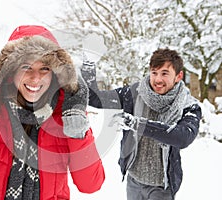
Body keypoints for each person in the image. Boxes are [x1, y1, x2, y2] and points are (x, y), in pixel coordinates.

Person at [0, 25, 105, 200]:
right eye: (26, 67)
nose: (35, 78)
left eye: (44, 68)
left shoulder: (67, 114)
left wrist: (78, 133)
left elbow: (90, 185)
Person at [81, 48, 202, 200]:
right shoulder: (134, 93)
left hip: (162, 187)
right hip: (134, 181)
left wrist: (138, 124)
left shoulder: (188, 105)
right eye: (154, 72)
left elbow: (183, 137)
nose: (158, 79)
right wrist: (88, 65)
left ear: (178, 76)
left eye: (164, 73)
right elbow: (95, 99)